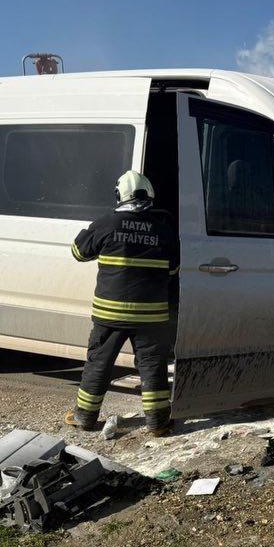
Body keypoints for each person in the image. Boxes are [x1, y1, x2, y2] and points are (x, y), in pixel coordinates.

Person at [65, 170, 180, 435]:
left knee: (99, 364)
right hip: (152, 316)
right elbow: (173, 270)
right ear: (149, 195)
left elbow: (78, 253)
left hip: (110, 314)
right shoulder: (164, 229)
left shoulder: (106, 223)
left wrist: (92, 230)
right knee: (153, 366)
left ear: (119, 196)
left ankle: (85, 417)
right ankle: (158, 422)